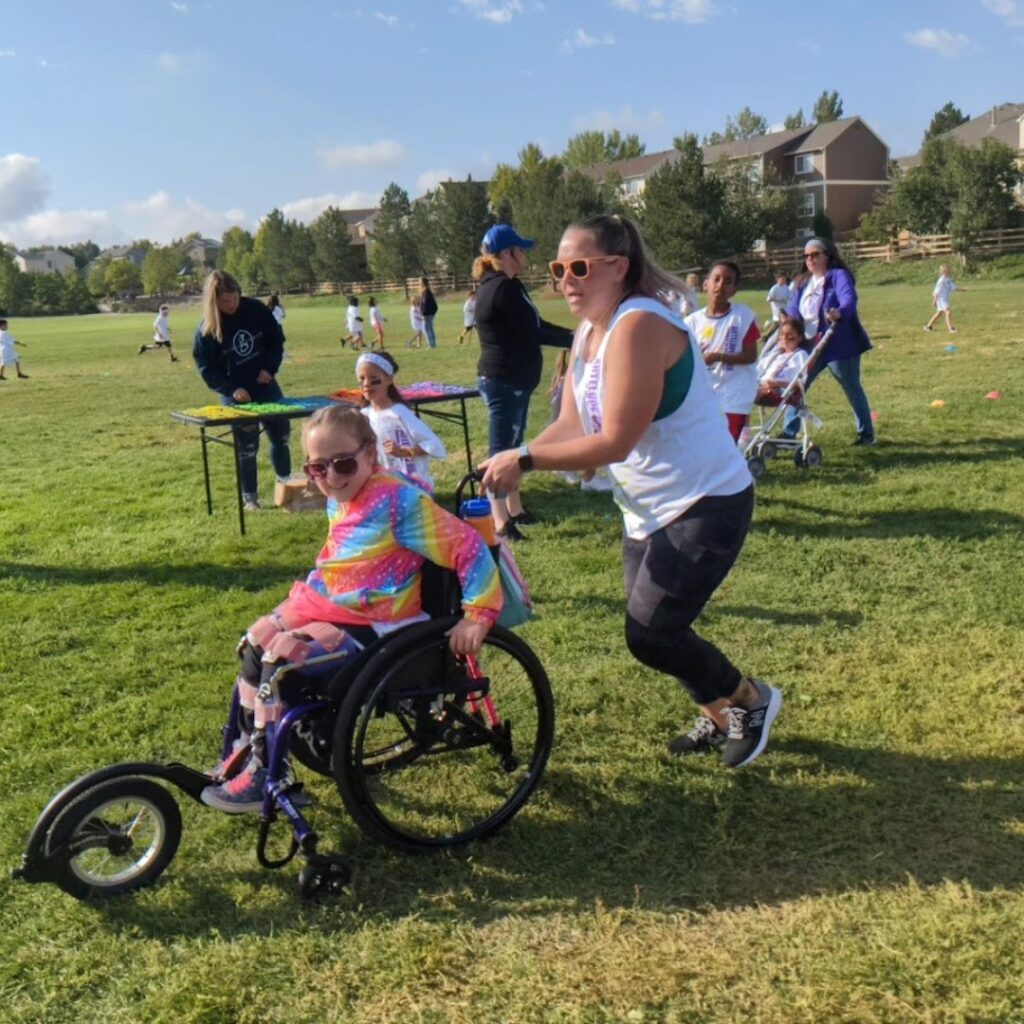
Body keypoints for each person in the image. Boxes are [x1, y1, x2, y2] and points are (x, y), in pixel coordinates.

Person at [481, 213, 781, 770]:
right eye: (556, 269)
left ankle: (750, 701)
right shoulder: (590, 332)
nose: (564, 281)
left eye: (578, 268)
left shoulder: (639, 324)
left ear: (618, 268)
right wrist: (517, 456)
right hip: (647, 509)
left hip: (705, 501)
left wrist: (525, 458)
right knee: (656, 631)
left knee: (652, 633)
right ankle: (722, 718)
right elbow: (572, 423)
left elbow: (615, 440)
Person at [201, 405, 502, 812]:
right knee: (254, 642)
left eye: (343, 463)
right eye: (317, 469)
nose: (332, 477)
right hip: (336, 604)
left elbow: (469, 546)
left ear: (370, 453)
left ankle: (268, 771)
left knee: (282, 660)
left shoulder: (400, 502)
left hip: (381, 621)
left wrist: (477, 615)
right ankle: (243, 753)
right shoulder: (342, 497)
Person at [473, 223, 573, 541]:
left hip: (511, 379)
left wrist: (574, 336)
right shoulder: (504, 288)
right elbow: (534, 332)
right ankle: (501, 521)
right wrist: (577, 339)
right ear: (506, 253)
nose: (524, 254)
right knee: (502, 449)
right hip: (506, 379)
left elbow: (535, 324)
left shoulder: (503, 284)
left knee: (513, 446)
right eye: (520, 249)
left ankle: (515, 508)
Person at [192, 270, 291, 511]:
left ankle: (286, 487)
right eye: (225, 302)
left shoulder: (256, 310)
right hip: (236, 394)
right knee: (247, 446)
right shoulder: (206, 329)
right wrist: (231, 388)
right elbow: (207, 368)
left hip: (266, 385)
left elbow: (276, 340)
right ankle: (251, 498)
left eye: (235, 298)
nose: (232, 305)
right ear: (214, 302)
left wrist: (270, 369)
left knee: (281, 435)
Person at [785, 237, 875, 446]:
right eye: (807, 256)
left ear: (828, 256)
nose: (810, 259)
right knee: (795, 386)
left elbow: (849, 299)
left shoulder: (838, 276)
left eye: (815, 254)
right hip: (808, 345)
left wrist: (839, 313)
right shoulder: (802, 282)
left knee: (852, 388)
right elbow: (793, 307)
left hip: (838, 345)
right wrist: (789, 323)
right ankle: (789, 433)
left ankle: (866, 434)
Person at [684, 259, 760, 444]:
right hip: (704, 394)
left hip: (734, 395)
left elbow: (751, 356)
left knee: (725, 446)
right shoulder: (692, 322)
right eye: (716, 279)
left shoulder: (743, 315)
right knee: (700, 444)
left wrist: (717, 356)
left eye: (728, 281)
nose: (720, 285)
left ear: (734, 289)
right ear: (705, 284)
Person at [356, 350, 447, 491]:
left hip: (410, 488)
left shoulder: (398, 413)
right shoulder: (364, 415)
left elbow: (433, 444)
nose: (366, 384)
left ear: (389, 379)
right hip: (382, 486)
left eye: (373, 378)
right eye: (362, 378)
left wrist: (403, 452)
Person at [756, 313, 809, 404]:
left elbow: (799, 383)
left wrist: (776, 384)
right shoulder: (778, 354)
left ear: (799, 338)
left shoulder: (800, 355)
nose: (785, 339)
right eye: (782, 336)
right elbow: (760, 368)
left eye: (790, 337)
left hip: (779, 390)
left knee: (744, 393)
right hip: (761, 384)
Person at [924, 265, 964, 334]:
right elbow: (936, 292)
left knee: (939, 313)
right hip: (941, 298)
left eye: (949, 270)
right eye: (947, 270)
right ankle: (950, 329)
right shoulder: (941, 281)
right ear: (943, 272)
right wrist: (934, 301)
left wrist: (962, 289)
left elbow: (953, 287)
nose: (949, 271)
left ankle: (928, 326)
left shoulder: (948, 279)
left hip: (944, 298)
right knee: (948, 312)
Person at [267, 293, 289, 359]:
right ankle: (283, 353)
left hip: (270, 326)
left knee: (271, 340)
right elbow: (283, 316)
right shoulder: (278, 307)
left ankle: (271, 353)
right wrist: (282, 308)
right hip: (278, 325)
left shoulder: (268, 307)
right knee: (280, 340)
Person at [419, 276, 439, 348]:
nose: (419, 283)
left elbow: (425, 304)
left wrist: (423, 313)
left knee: (426, 329)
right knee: (430, 328)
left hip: (426, 314)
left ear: (423, 283)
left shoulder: (425, 291)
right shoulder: (428, 291)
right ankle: (433, 343)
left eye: (420, 282)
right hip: (430, 313)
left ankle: (430, 344)